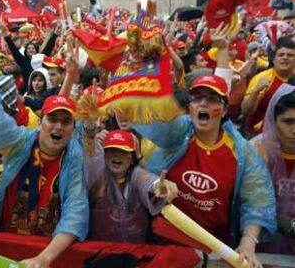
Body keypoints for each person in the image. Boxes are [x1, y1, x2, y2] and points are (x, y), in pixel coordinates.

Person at [133, 25, 276, 268]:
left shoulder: (241, 151)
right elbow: (152, 117)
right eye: (197, 98)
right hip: (163, 242)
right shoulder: (178, 133)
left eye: (211, 100)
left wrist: (248, 242)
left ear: (223, 108)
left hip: (214, 251)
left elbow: (257, 199)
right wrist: (147, 68)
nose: (203, 105)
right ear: (189, 107)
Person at [0, 38, 89, 268]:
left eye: (66, 122)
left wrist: (43, 258)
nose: (58, 127)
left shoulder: (74, 158)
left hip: (48, 253)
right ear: (40, 122)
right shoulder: (22, 141)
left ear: (73, 129)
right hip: (4, 244)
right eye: (52, 120)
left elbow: (76, 213)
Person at [85, 129, 178, 243]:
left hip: (135, 254)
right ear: (104, 155)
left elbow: (147, 181)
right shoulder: (96, 176)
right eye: (112, 150)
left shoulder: (137, 176)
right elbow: (90, 157)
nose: (117, 155)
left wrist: (157, 186)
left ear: (131, 158)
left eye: (124, 151)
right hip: (100, 252)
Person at [251, 84, 295, 255]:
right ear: (272, 120)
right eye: (287, 122)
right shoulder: (255, 151)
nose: (294, 130)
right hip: (260, 246)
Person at [241, 36, 295, 136]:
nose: (285, 57)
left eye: (290, 55)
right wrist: (256, 91)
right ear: (274, 60)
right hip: (258, 136)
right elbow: (245, 111)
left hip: (288, 137)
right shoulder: (263, 78)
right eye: (281, 55)